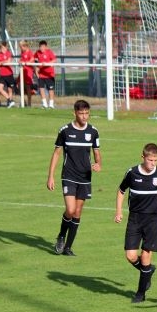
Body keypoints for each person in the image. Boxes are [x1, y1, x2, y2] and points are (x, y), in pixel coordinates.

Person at [115, 143, 157, 303]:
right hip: (135, 218)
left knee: (145, 256)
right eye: (150, 160)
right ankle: (148, 271)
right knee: (130, 255)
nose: (153, 163)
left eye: (155, 160)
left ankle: (140, 294)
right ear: (143, 157)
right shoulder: (132, 173)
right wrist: (119, 211)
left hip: (154, 219)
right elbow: (121, 190)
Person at [46, 99, 102, 256]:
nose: (84, 116)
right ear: (74, 113)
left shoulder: (93, 132)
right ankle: (61, 236)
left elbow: (97, 153)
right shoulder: (65, 130)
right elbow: (57, 153)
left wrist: (98, 164)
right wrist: (51, 176)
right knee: (70, 210)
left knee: (77, 212)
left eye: (87, 113)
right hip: (69, 175)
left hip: (85, 177)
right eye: (81, 113)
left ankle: (68, 247)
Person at [35, 40, 56, 108]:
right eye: (40, 47)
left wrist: (47, 63)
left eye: (43, 47)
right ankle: (44, 104)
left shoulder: (49, 52)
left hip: (49, 74)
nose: (41, 48)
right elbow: (34, 59)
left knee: (51, 89)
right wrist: (37, 67)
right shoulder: (37, 52)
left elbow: (54, 60)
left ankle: (51, 104)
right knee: (41, 89)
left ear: (46, 47)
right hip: (41, 75)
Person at [0, 41, 16, 108]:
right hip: (2, 75)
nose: (3, 50)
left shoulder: (8, 53)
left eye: (4, 48)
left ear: (6, 48)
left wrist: (1, 62)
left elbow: (8, 61)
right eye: (2, 48)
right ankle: (10, 100)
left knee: (10, 90)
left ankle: (9, 103)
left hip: (9, 74)